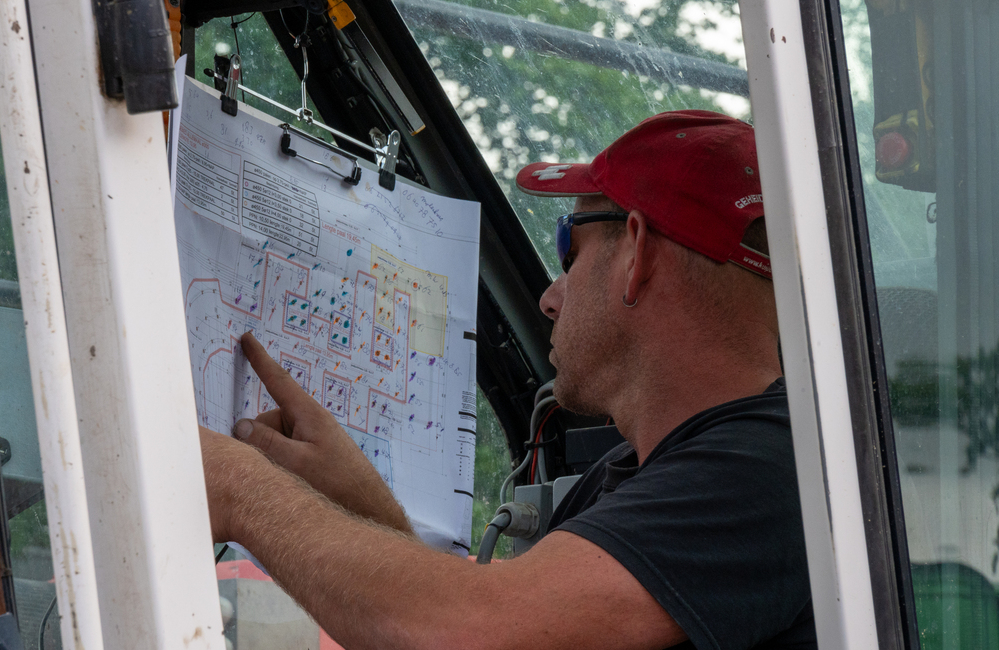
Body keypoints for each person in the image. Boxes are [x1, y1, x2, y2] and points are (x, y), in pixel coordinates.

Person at [199, 110, 814, 650]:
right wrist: (355, 505)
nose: (549, 298)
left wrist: (241, 490)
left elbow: (471, 630)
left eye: (570, 252)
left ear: (637, 255)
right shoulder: (642, 475)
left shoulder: (769, 475)